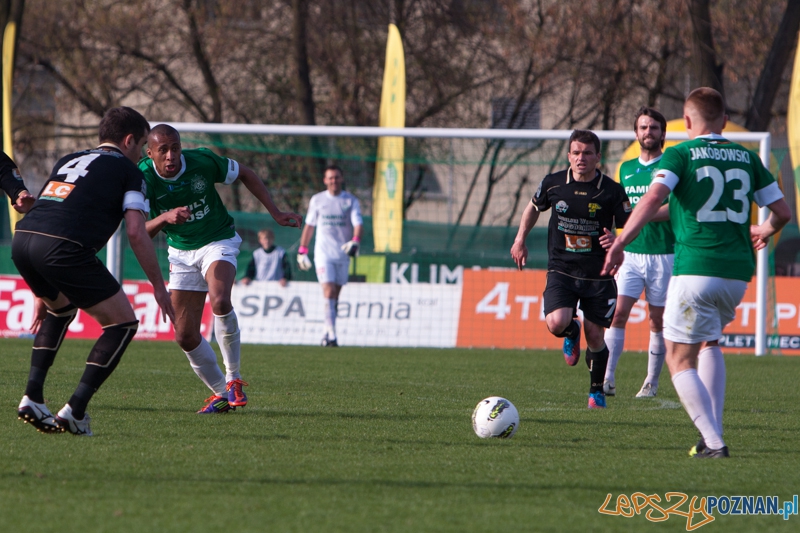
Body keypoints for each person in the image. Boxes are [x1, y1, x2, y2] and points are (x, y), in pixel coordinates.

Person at [603, 88, 791, 458]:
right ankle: (711, 433)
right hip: (737, 273)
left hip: (695, 268)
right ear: (723, 120)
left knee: (678, 358)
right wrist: (764, 230)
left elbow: (653, 198)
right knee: (710, 341)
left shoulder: (680, 153)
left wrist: (622, 240)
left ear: (686, 122)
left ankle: (714, 441)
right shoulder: (747, 156)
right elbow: (783, 212)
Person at [13, 106, 175, 436]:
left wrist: (40, 285)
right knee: (123, 323)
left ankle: (33, 396)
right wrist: (158, 286)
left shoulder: (68, 160)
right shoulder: (131, 173)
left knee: (60, 309)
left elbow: (52, 205)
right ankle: (75, 410)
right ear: (129, 140)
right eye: (143, 144)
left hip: (24, 240)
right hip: (62, 247)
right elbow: (135, 231)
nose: (143, 153)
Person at [141, 124, 302, 414]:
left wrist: (275, 212)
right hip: (180, 253)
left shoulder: (202, 161)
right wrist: (165, 217)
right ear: (149, 152)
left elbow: (245, 173)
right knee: (184, 335)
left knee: (220, 300)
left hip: (218, 240)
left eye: (174, 147)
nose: (170, 155)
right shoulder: (141, 177)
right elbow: (139, 232)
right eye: (162, 150)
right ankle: (221, 394)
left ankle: (233, 378)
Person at [511, 130, 631, 409]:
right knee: (556, 323)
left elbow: (629, 225)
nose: (581, 158)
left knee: (596, 336)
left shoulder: (611, 190)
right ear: (568, 155)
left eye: (587, 153)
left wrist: (618, 241)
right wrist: (520, 240)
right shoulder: (554, 184)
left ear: (598, 158)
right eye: (576, 153)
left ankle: (596, 391)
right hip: (562, 269)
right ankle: (569, 332)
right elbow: (533, 208)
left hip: (599, 273)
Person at [603, 107, 674, 398]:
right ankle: (606, 379)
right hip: (631, 253)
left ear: (662, 133)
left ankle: (651, 382)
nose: (648, 132)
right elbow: (623, 211)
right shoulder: (626, 168)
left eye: (654, 128)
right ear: (636, 133)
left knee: (656, 320)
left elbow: (676, 209)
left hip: (663, 254)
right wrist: (612, 234)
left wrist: (643, 216)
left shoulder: (672, 164)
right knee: (617, 314)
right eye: (643, 128)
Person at [297, 165, 363, 347]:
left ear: (341, 179)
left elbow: (358, 223)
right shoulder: (317, 200)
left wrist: (355, 240)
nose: (333, 181)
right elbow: (309, 226)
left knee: (336, 296)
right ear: (325, 180)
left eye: (336, 177)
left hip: (342, 254)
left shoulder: (350, 201)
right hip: (323, 253)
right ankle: (332, 336)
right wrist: (303, 249)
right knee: (329, 290)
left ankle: (327, 331)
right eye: (330, 178)